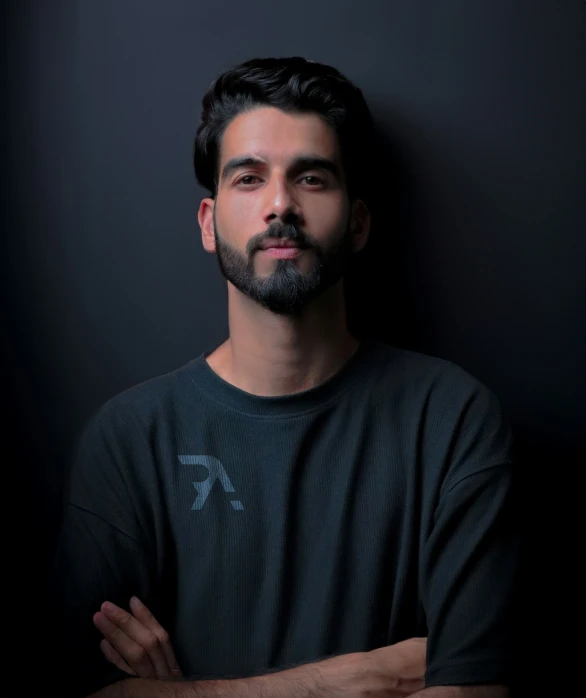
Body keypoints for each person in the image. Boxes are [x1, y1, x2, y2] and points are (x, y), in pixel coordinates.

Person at [47, 57, 517, 698]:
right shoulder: (129, 439)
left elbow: (473, 689)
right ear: (209, 223)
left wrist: (185, 693)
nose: (280, 205)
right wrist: (349, 679)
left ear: (357, 222)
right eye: (249, 178)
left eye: (312, 178)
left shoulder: (453, 420)